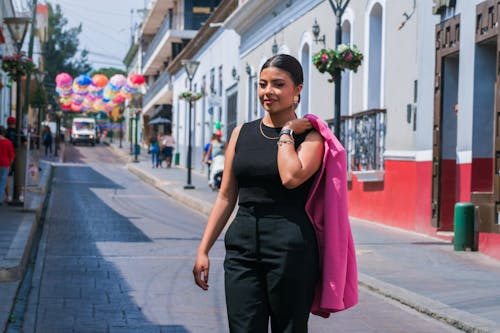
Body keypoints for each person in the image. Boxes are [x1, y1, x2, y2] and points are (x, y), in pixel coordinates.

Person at [193, 54, 327, 332]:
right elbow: (226, 196)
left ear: (297, 90)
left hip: (291, 246)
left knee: (287, 328)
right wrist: (203, 249)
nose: (268, 92)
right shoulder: (241, 133)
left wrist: (288, 131)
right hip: (242, 245)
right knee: (242, 327)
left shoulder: (311, 137)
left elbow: (291, 177)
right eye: (262, 84)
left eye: (278, 84)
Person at [0, 126, 15, 205]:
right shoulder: (8, 142)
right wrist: (10, 166)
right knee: (2, 182)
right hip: (5, 164)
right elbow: (12, 156)